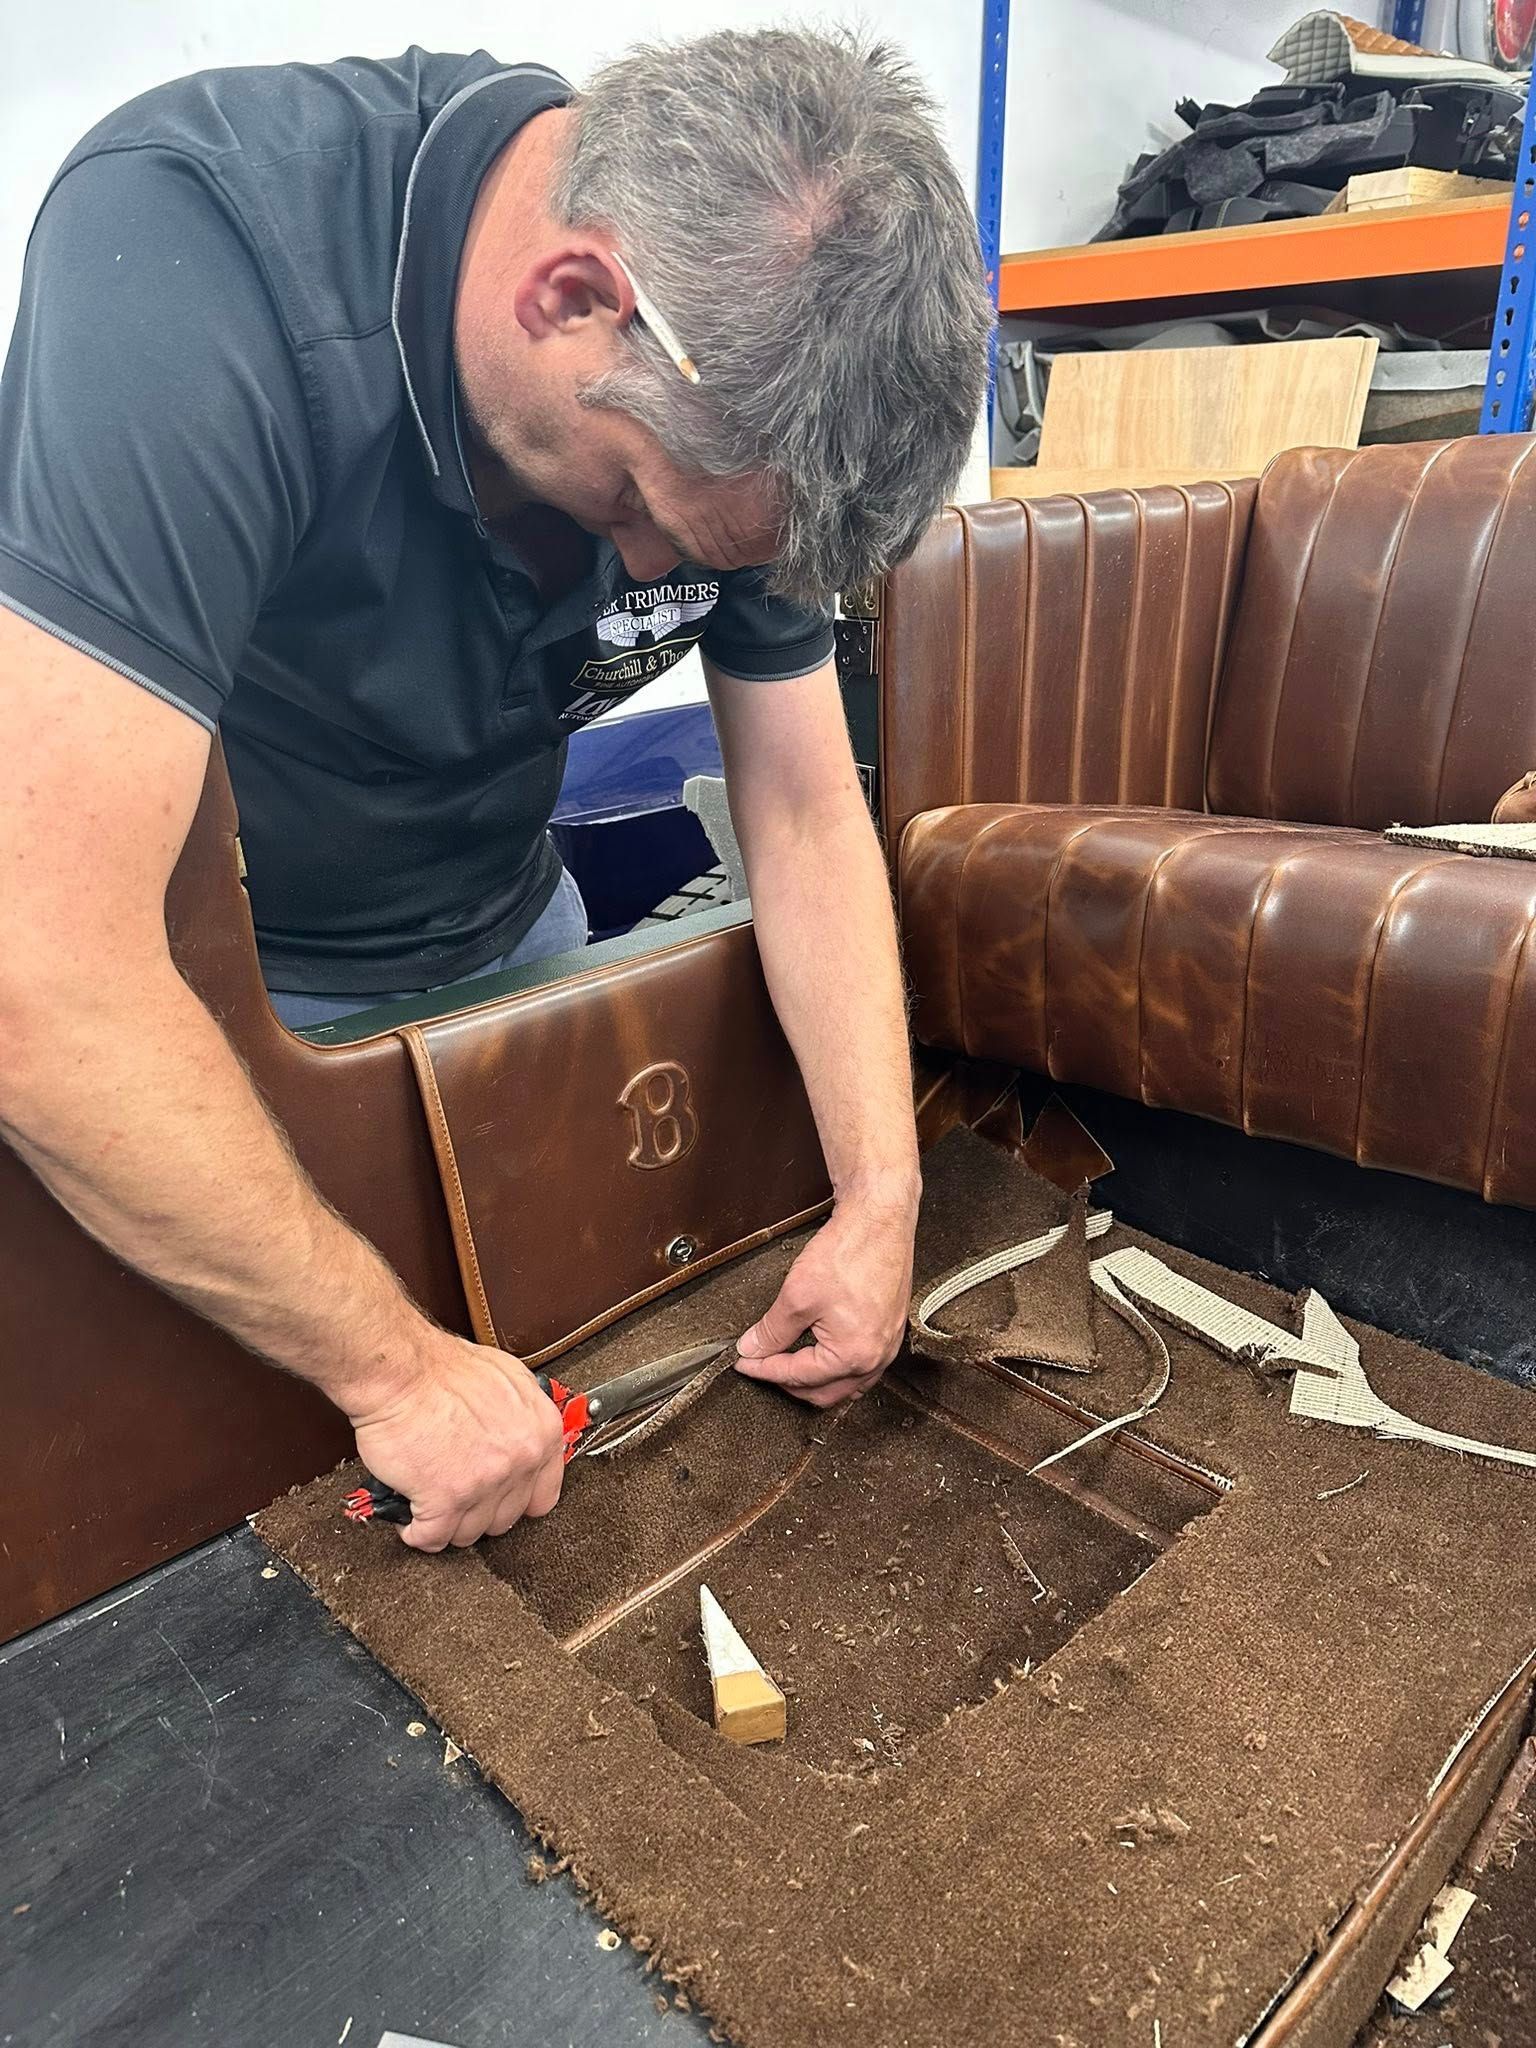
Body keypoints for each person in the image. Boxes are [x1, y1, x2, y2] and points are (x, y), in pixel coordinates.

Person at [0, 31, 992, 1551]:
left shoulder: (744, 399)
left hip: (515, 929)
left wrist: (880, 1193)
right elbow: (42, 973)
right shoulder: (194, 262)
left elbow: (797, 809)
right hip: (218, 1020)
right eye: (636, 508)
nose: (650, 576)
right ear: (573, 300)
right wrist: (389, 1367)